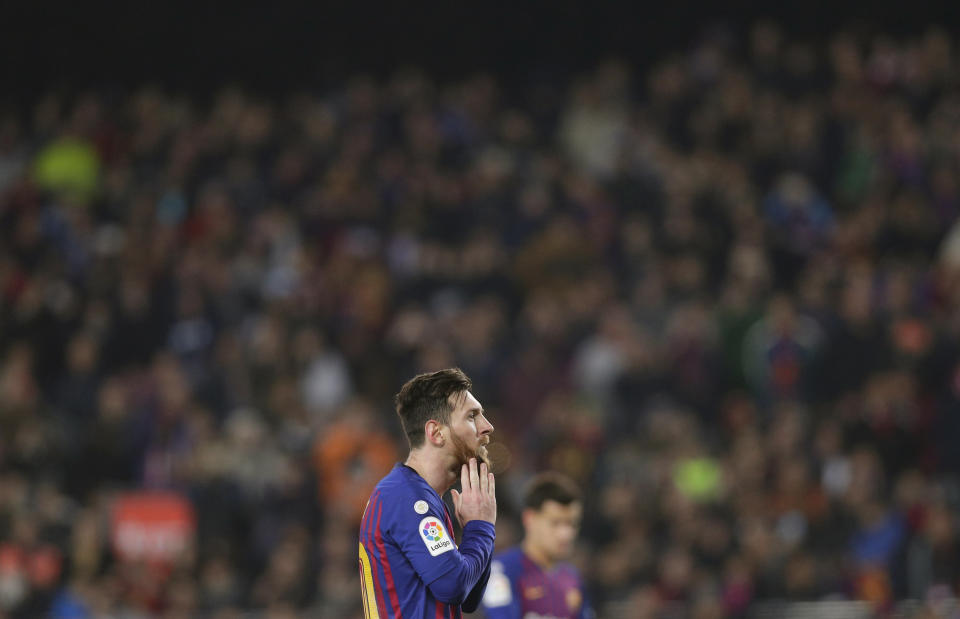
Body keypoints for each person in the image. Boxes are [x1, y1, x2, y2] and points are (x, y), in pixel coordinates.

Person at [359, 368, 497, 619]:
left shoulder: (422, 497)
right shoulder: (406, 498)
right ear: (435, 433)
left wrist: (478, 528)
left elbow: (469, 596)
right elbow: (453, 586)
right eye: (472, 416)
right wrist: (481, 527)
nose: (487, 427)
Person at [482, 473, 593, 619]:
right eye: (556, 523)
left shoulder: (572, 578)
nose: (566, 534)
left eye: (572, 524)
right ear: (530, 519)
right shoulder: (501, 572)